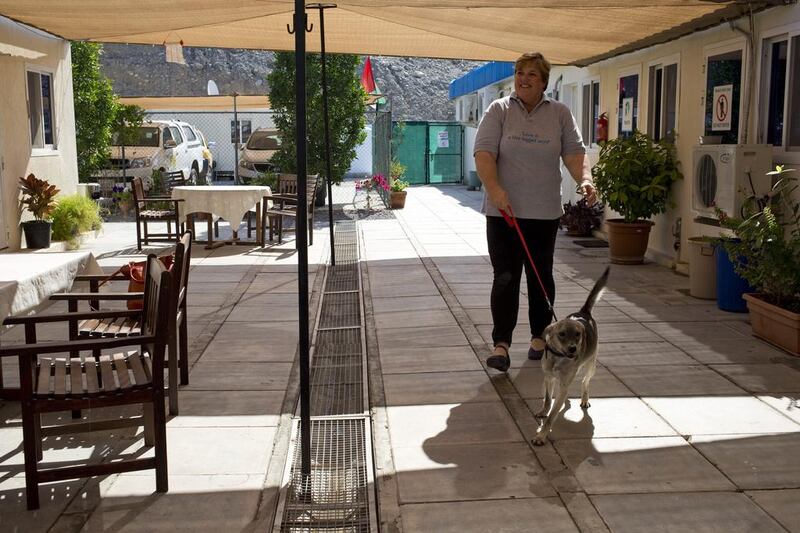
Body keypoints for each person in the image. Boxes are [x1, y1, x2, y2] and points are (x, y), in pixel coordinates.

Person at [473, 52, 597, 372]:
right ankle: (501, 345)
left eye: (531, 74)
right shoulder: (498, 109)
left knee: (540, 276)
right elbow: (484, 153)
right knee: (505, 277)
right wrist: (495, 189)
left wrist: (584, 180)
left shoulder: (559, 113)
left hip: (543, 212)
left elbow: (574, 153)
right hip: (503, 212)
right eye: (519, 73)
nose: (523, 79)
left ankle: (539, 338)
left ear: (544, 81)